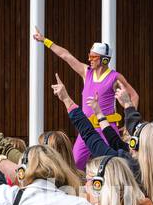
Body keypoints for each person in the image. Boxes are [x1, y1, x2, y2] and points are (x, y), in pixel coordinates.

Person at [32, 28, 140, 170]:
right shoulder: (86, 72)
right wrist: (44, 40)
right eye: (90, 55)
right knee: (75, 165)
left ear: (104, 59)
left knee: (111, 166)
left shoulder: (115, 77)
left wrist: (129, 125)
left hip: (106, 128)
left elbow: (134, 96)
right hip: (87, 129)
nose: (89, 59)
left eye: (93, 56)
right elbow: (66, 56)